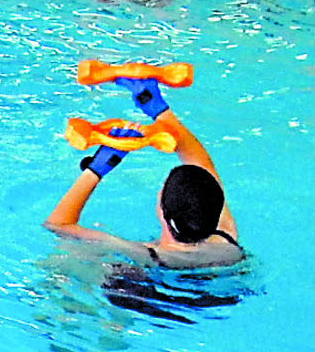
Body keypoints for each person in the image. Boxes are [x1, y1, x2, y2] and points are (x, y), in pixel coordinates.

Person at [43, 105, 243, 268]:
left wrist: (96, 169)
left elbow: (57, 225)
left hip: (142, 300)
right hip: (210, 302)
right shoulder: (227, 245)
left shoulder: (138, 254)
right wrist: (159, 110)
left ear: (161, 211)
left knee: (64, 263)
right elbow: (203, 165)